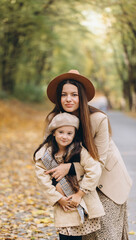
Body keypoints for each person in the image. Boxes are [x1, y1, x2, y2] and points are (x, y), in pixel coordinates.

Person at [45, 69, 132, 240]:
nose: (68, 99)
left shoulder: (98, 119)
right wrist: (57, 187)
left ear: (82, 97)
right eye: (64, 94)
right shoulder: (55, 120)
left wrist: (69, 167)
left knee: (106, 234)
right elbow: (50, 156)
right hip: (75, 183)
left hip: (106, 184)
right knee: (82, 234)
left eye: (74, 94)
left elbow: (98, 162)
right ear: (58, 97)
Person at [34, 112, 105, 240]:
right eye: (61, 132)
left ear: (74, 134)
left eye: (69, 133)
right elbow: (42, 179)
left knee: (78, 235)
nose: (65, 137)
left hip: (80, 200)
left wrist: (80, 194)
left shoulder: (79, 151)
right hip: (63, 203)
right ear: (53, 132)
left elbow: (94, 170)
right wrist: (57, 198)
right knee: (65, 234)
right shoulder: (45, 155)